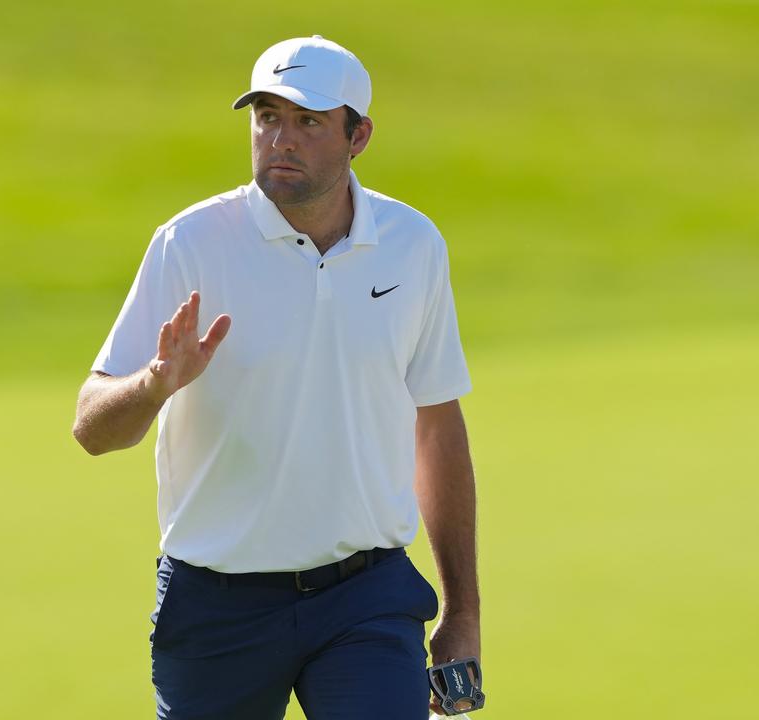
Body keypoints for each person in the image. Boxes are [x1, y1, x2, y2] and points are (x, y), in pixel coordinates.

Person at [72, 35, 479, 720]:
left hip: (366, 598)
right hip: (217, 605)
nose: (279, 139)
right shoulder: (190, 243)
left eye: (308, 122)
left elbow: (437, 428)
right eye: (266, 117)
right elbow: (90, 428)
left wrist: (462, 613)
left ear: (360, 136)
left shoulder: (414, 246)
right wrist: (153, 384)